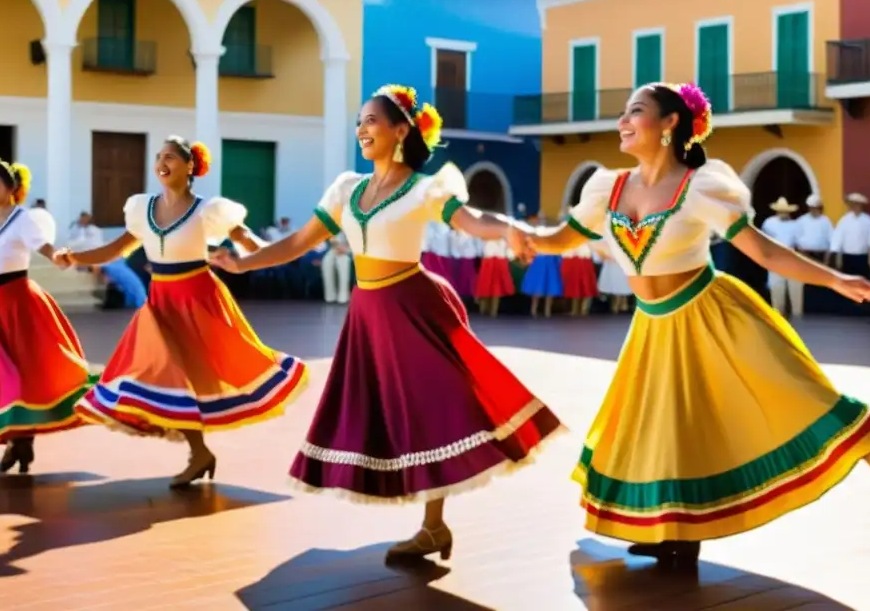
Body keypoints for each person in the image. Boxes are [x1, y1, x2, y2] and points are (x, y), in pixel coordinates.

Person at [522, 82, 870, 569]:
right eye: (624, 113)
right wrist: (520, 236)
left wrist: (835, 278)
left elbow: (766, 252)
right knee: (669, 432)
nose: (622, 121)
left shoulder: (701, 186)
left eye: (636, 111)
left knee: (817, 405)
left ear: (671, 123)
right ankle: (674, 528)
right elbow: (559, 238)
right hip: (653, 330)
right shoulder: (606, 187)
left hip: (716, 319)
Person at [211, 84, 563, 563]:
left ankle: (433, 525)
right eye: (359, 121)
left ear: (401, 130)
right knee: (382, 412)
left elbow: (471, 219)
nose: (362, 129)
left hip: (414, 307)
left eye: (372, 121)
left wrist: (510, 228)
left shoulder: (425, 187)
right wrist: (242, 265)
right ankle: (433, 528)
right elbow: (300, 241)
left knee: (433, 409)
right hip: (368, 313)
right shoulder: (346, 189)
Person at [54, 137, 308, 488]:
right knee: (166, 373)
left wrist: (260, 252)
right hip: (160, 303)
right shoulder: (143, 209)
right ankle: (199, 452)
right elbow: (115, 248)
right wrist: (76, 258)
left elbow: (248, 241)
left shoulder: (209, 211)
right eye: (159, 157)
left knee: (202, 372)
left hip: (198, 300)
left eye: (170, 157)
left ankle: (199, 452)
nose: (162, 162)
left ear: (190, 166)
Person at [0, 159, 94, 473]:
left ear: (11, 188)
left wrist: (61, 257)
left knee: (24, 374)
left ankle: (20, 439)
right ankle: (18, 439)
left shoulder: (24, 220)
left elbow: (47, 249)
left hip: (21, 304)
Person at [761, 197, 802, 318]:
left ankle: (798, 320)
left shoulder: (795, 225)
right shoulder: (769, 223)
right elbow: (764, 241)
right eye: (781, 211)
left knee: (796, 294)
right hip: (775, 260)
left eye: (785, 211)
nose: (783, 213)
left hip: (791, 260)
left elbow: (799, 244)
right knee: (777, 294)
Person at [321, 231, 352, 304]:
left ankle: (343, 297)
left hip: (350, 249)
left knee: (344, 261)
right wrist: (337, 247)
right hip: (335, 248)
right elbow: (332, 239)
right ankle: (330, 296)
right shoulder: (333, 224)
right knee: (327, 261)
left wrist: (345, 249)